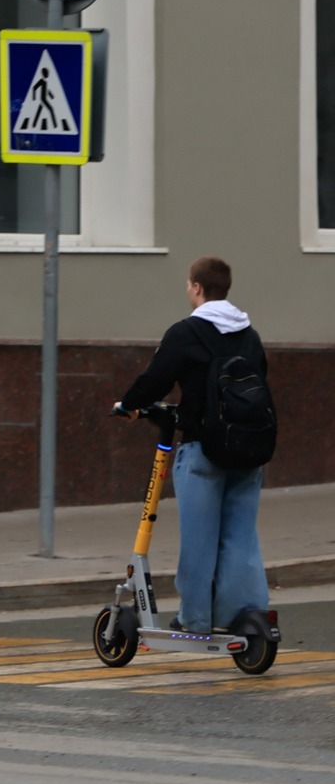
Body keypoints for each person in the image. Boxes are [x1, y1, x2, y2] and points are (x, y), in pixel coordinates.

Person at [112, 256, 271, 633]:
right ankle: (244, 615)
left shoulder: (186, 332)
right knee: (240, 538)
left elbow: (156, 380)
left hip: (203, 449)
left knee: (200, 540)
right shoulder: (249, 334)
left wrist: (128, 405)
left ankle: (195, 618)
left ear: (197, 287)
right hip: (249, 449)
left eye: (188, 285)